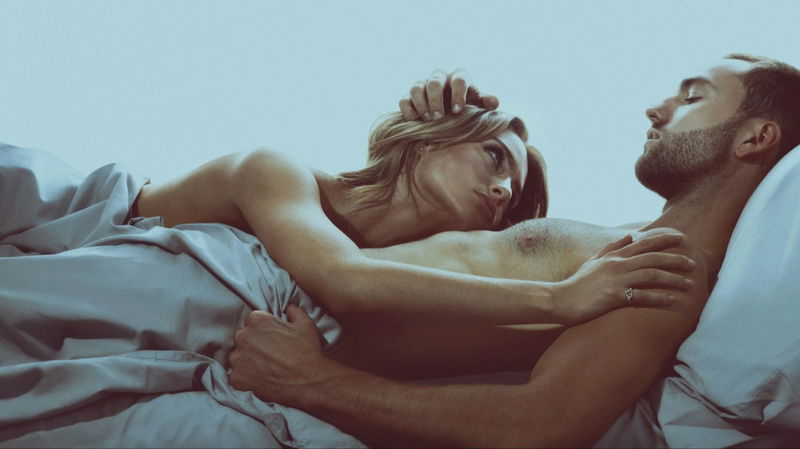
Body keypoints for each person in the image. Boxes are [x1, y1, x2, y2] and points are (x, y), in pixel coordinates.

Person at [227, 54, 800, 447]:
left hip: (271, 325)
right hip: (273, 282)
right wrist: (443, 132)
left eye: (693, 96)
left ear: (756, 137)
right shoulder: (629, 245)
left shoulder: (666, 265)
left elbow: (542, 424)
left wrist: (314, 383)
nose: (656, 109)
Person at [132, 102, 689, 329]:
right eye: (494, 158)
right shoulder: (274, 171)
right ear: (429, 140)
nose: (501, 191)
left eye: (512, 195)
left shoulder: (404, 277)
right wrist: (559, 299)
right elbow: (343, 281)